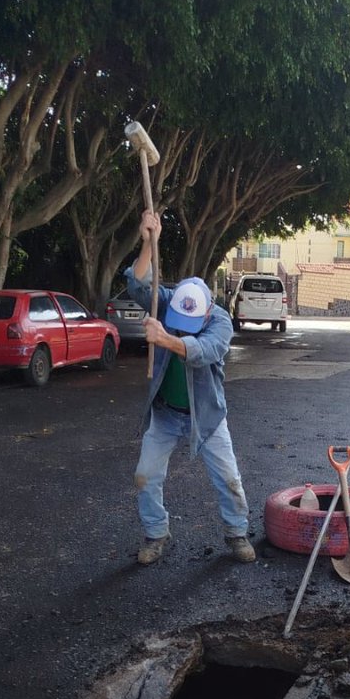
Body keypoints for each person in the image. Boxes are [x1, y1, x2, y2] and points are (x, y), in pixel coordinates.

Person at [124, 209, 255, 566]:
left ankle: (237, 532)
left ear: (207, 311)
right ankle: (156, 533)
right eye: (175, 325)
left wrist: (166, 339)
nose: (181, 329)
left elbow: (205, 352)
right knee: (145, 476)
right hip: (166, 414)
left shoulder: (220, 321)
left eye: (187, 325)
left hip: (207, 417)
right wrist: (148, 242)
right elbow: (137, 285)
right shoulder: (169, 301)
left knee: (229, 478)